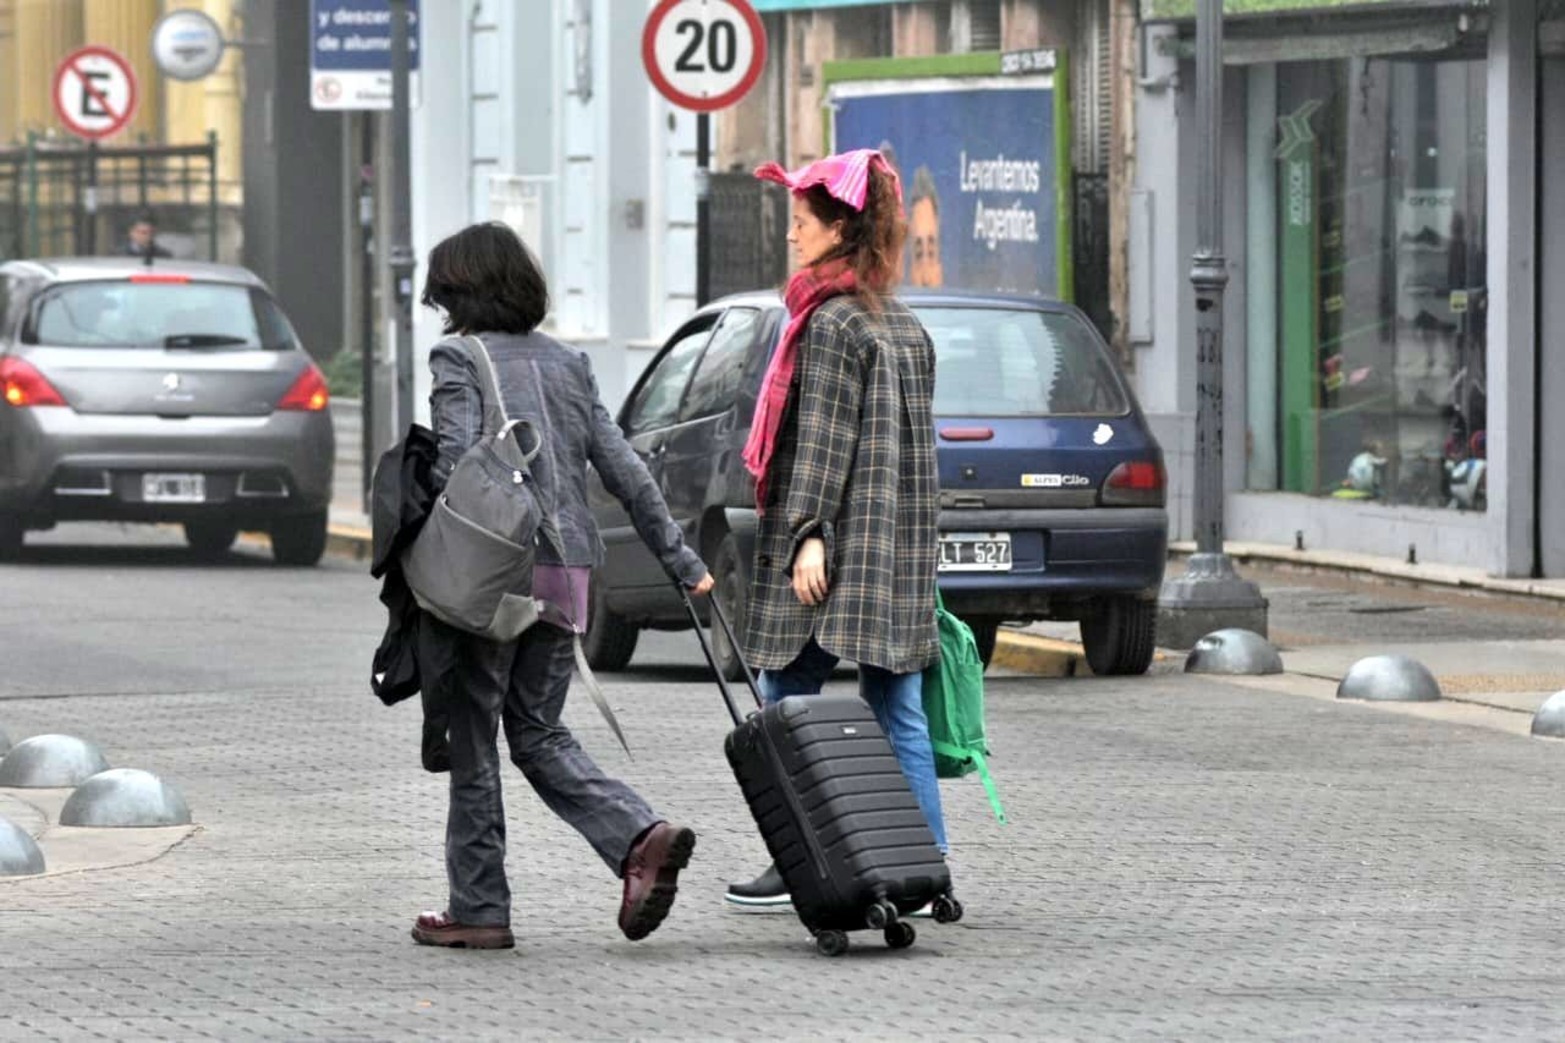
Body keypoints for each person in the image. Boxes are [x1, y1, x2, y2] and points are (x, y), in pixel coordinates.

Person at [411, 221, 715, 949]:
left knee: (476, 734)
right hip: (569, 571)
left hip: (496, 575)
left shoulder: (458, 356)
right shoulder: (569, 362)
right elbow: (623, 469)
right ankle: (639, 834)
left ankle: (479, 907)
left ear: (459, 290)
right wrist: (683, 561)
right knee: (538, 730)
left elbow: (456, 466)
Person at [724, 149, 948, 907]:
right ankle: (925, 860)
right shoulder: (905, 325)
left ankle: (802, 859)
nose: (791, 237)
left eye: (800, 222)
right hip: (901, 545)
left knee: (783, 692)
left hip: (839, 547)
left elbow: (821, 439)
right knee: (897, 705)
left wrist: (807, 534)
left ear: (838, 228)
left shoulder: (829, 324)